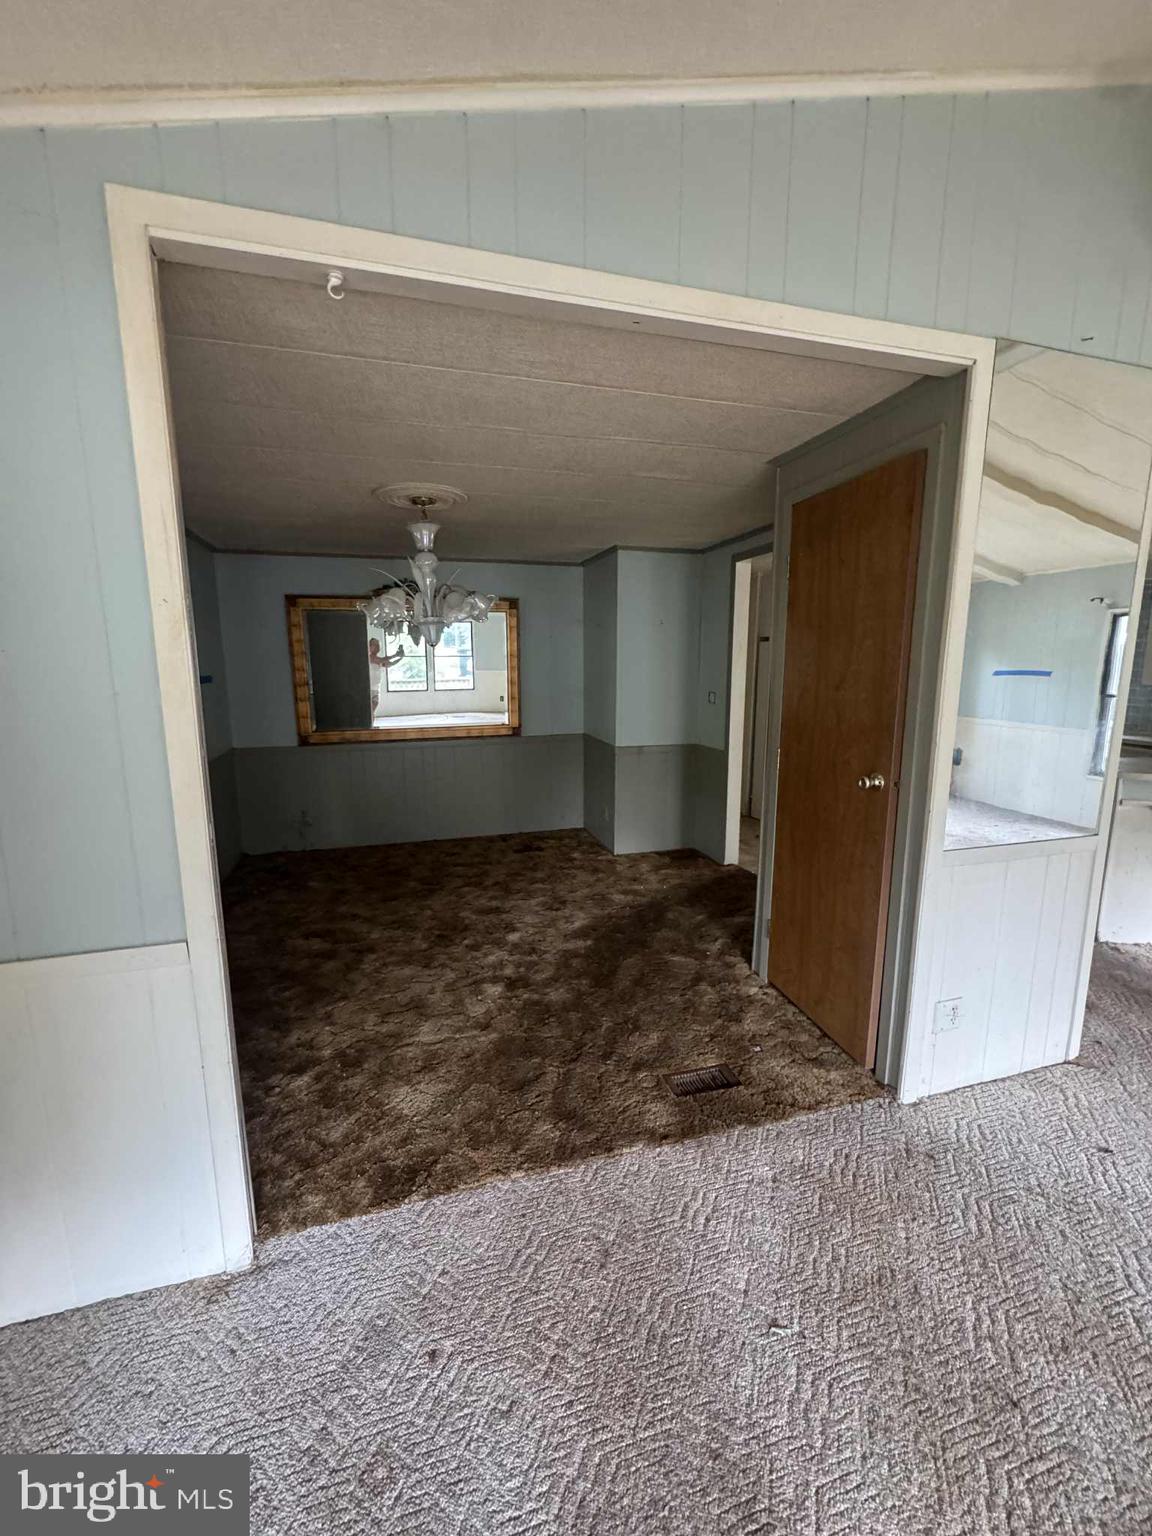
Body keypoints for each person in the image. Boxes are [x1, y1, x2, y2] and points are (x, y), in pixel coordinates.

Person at [368, 636, 405, 715]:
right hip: (368, 689)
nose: (378, 647)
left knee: (372, 711)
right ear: (369, 647)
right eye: (375, 645)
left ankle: (371, 726)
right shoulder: (369, 658)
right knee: (369, 712)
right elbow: (381, 660)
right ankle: (369, 726)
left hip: (376, 689)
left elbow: (390, 664)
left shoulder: (379, 660)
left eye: (378, 645)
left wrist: (400, 658)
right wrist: (395, 655)